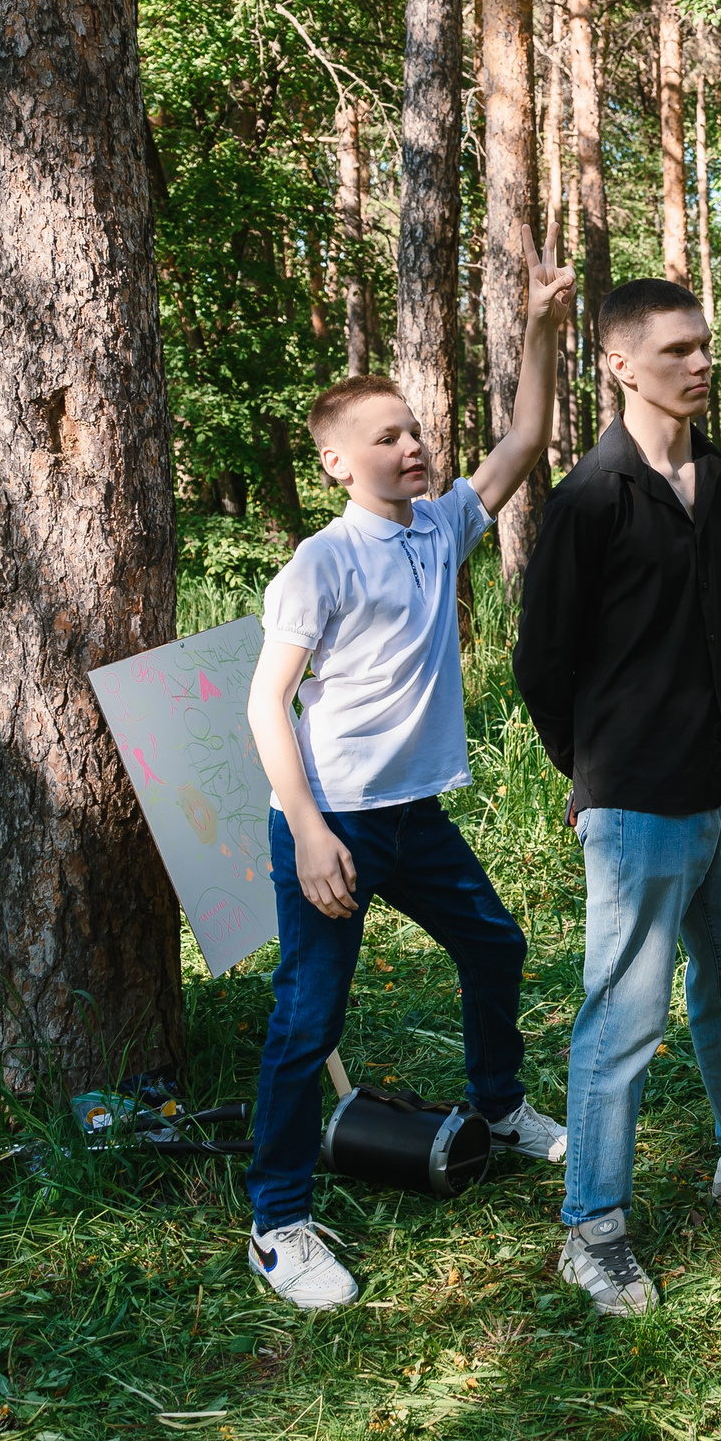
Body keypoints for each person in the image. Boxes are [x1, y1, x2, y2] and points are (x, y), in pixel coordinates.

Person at [240, 228, 574, 1312]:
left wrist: (538, 327)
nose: (412, 447)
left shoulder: (440, 530)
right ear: (340, 461)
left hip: (414, 817)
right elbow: (265, 701)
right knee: (308, 1019)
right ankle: (277, 1219)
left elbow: (523, 439)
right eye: (386, 439)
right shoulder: (321, 563)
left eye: (417, 430)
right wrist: (306, 826)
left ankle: (501, 1105)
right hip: (332, 821)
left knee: (494, 942)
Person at [513, 276, 721, 1318]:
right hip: (636, 804)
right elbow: (541, 661)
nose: (700, 364)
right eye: (674, 352)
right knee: (622, 1022)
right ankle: (593, 1229)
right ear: (618, 365)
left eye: (705, 346)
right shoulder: (588, 502)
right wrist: (592, 776)